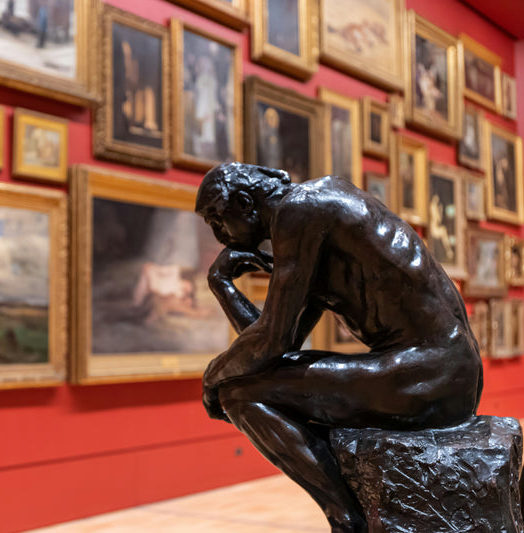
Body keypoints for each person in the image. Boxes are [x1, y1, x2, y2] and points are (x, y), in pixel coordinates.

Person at [195, 162, 482, 533]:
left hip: (430, 373)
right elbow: (274, 351)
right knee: (245, 386)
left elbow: (270, 342)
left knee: (238, 395)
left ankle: (346, 520)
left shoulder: (300, 209)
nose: (219, 236)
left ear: (245, 203)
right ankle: (351, 515)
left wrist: (213, 378)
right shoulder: (313, 212)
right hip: (444, 372)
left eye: (217, 221)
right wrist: (223, 285)